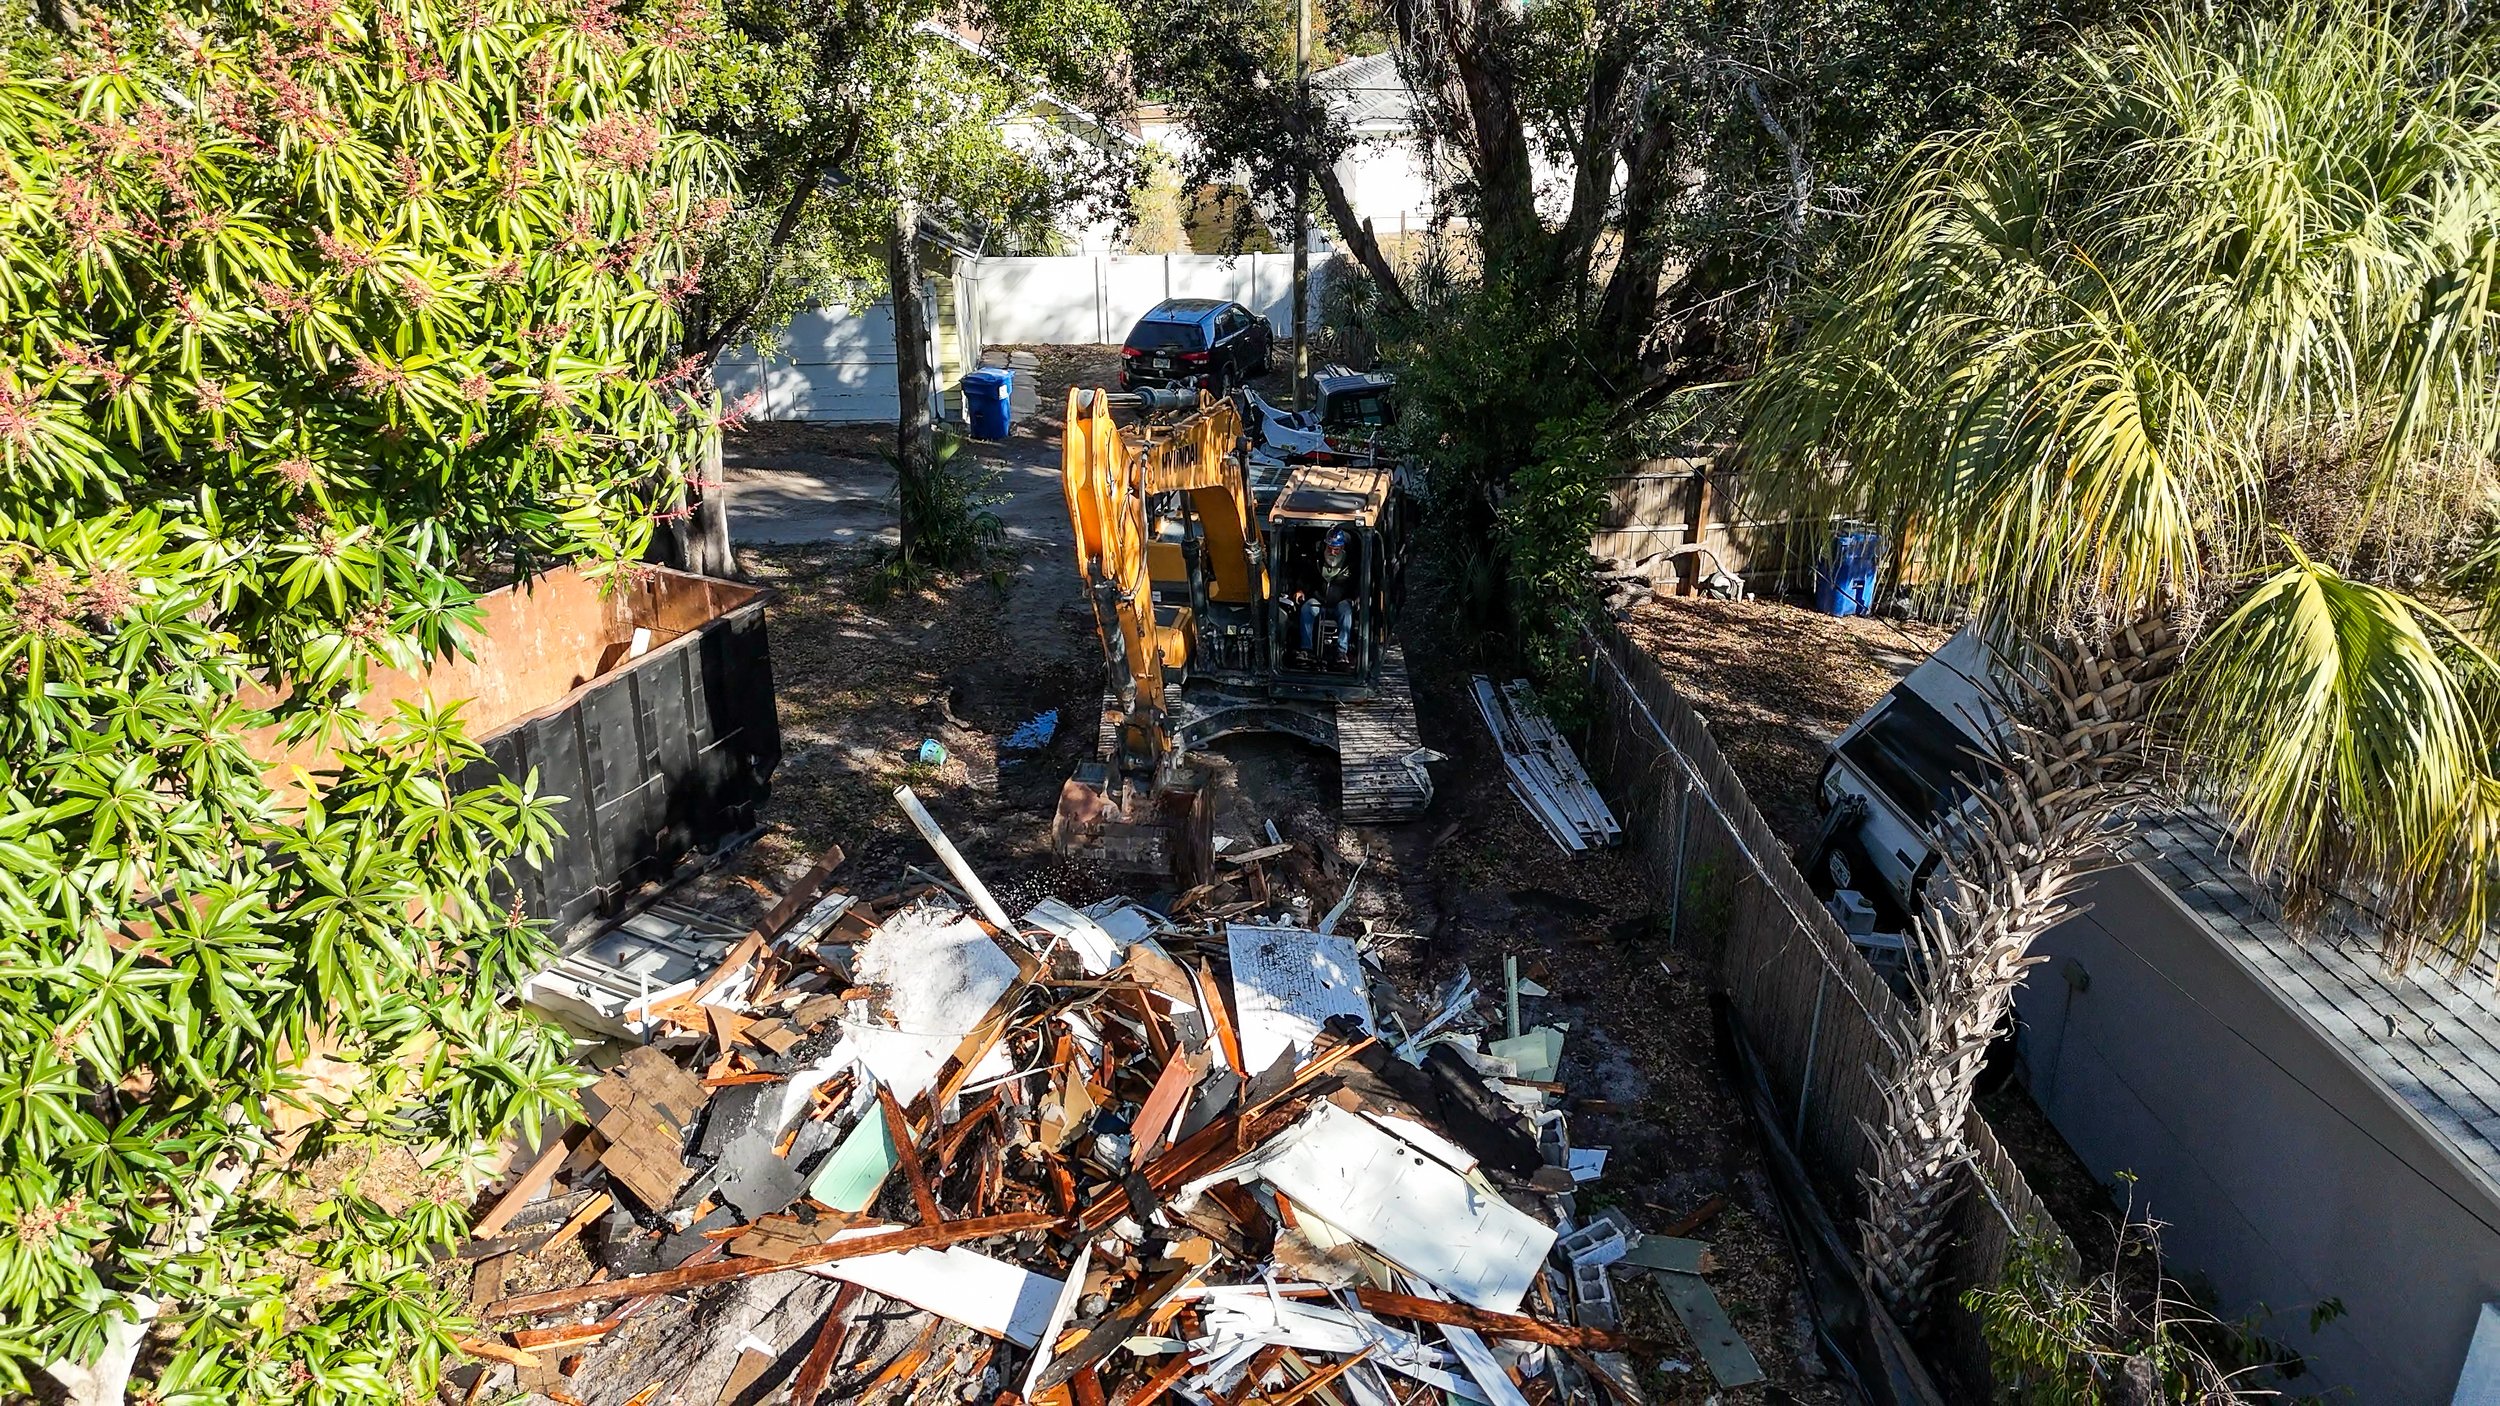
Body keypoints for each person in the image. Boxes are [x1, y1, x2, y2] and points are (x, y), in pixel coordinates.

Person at [1295, 526, 1358, 665]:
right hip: (1319, 601)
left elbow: (1358, 583)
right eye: (1330, 548)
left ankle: (1342, 651)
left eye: (1336, 549)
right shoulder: (1316, 560)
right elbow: (1305, 577)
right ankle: (1306, 649)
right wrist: (1301, 590)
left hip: (1340, 603)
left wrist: (1357, 597)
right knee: (1307, 609)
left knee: (1346, 610)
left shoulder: (1351, 564)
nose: (1332, 552)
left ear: (1342, 548)